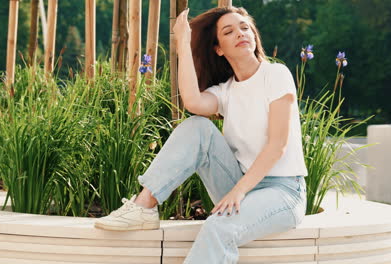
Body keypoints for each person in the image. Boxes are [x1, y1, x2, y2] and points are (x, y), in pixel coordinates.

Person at [95, 6, 308, 263]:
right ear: (218, 48)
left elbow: (278, 145)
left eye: (244, 27)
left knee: (219, 227)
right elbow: (193, 102)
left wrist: (239, 192)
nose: (240, 33)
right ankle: (144, 206)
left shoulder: (275, 74)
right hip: (239, 185)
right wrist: (183, 43)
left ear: (254, 35)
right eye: (229, 31)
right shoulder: (226, 91)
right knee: (197, 126)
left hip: (282, 191)